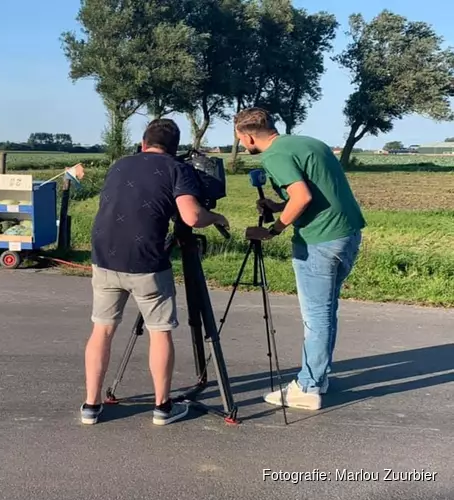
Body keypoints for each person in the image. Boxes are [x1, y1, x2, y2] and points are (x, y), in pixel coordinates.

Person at [81, 118, 230, 426]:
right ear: (175, 149)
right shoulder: (178, 169)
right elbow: (191, 217)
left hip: (104, 256)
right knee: (159, 331)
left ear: (143, 144)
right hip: (146, 262)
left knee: (102, 329)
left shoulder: (120, 164)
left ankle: (91, 406)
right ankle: (163, 407)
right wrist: (215, 217)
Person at [234, 107, 366, 411]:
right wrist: (280, 204)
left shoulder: (273, 156)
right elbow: (315, 193)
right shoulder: (309, 143)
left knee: (316, 316)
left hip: (319, 241)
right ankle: (318, 377)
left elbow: (303, 198)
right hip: (347, 234)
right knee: (327, 310)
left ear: (249, 135)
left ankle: (307, 387)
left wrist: (275, 229)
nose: (242, 145)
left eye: (241, 140)